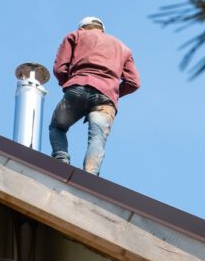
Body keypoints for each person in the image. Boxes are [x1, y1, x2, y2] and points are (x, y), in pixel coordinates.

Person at [48, 17, 140, 175]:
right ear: (101, 29)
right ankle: (90, 175)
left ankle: (62, 161)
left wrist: (69, 82)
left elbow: (59, 69)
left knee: (57, 127)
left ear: (82, 27)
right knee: (97, 137)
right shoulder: (123, 48)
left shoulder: (75, 36)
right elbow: (134, 82)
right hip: (106, 99)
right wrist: (112, 91)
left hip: (78, 88)